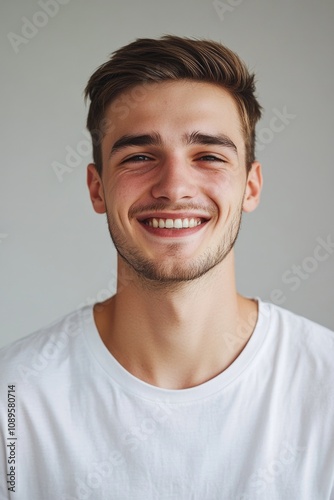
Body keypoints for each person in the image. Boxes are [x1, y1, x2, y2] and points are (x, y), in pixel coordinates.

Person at [0, 35, 333, 500]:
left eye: (210, 156)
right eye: (139, 156)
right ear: (97, 189)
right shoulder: (14, 399)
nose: (174, 187)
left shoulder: (326, 385)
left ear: (251, 187)